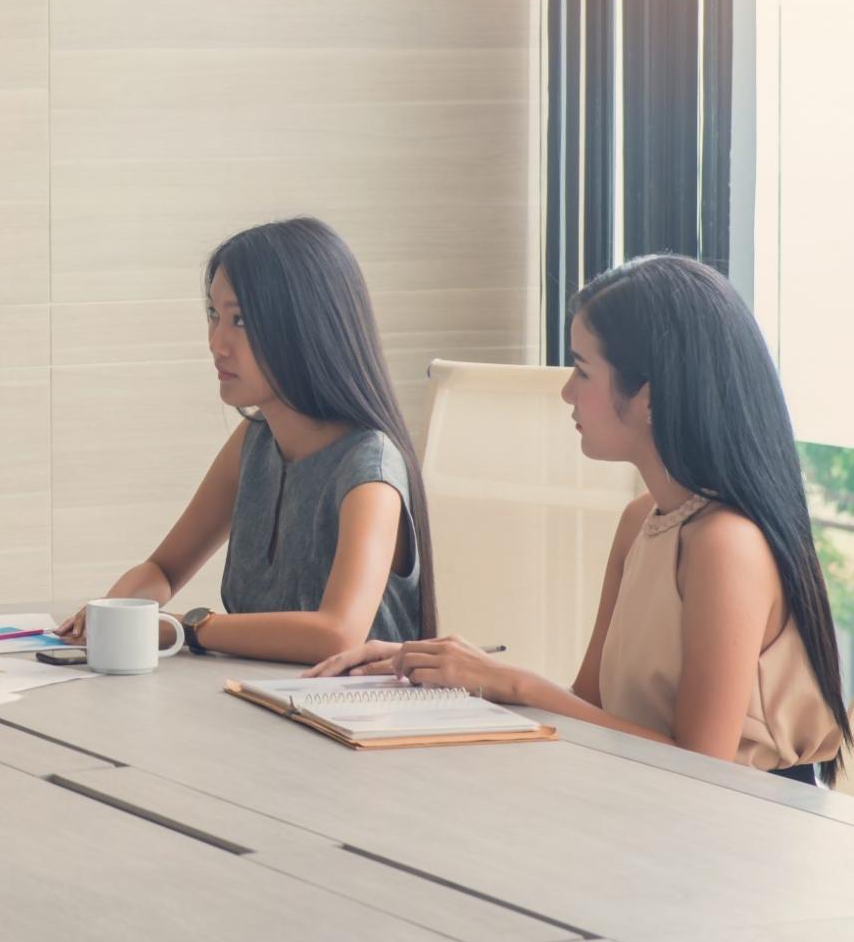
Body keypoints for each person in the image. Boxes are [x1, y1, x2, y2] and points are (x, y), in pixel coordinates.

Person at [309, 255, 850, 785]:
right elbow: (588, 707)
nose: (567, 391)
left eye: (583, 369)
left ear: (650, 396)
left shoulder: (727, 544)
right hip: (652, 809)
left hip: (747, 836)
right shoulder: (643, 519)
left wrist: (510, 682)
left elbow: (700, 767)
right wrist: (448, 671)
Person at [57, 218, 434, 664]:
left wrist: (187, 627)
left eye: (241, 320)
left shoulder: (369, 469)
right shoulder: (254, 441)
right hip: (252, 701)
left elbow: (338, 634)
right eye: (214, 315)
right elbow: (163, 569)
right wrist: (112, 614)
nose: (217, 343)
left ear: (305, 327)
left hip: (348, 718)